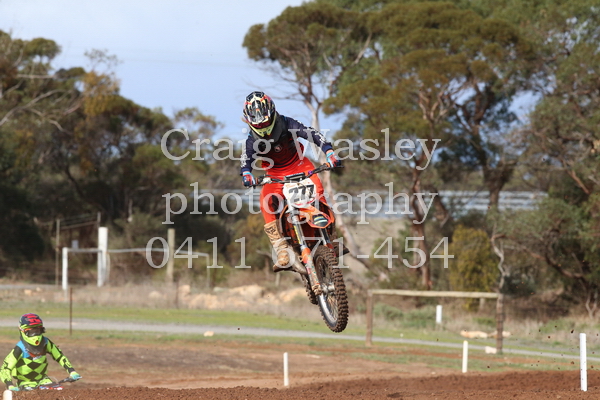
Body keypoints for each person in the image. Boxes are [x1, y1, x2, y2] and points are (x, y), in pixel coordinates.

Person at [240, 91, 341, 272]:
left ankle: (331, 238)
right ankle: (281, 249)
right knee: (266, 201)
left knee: (318, 190)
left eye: (264, 119)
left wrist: (329, 152)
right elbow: (245, 159)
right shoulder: (251, 140)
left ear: (271, 111)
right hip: (274, 174)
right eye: (257, 121)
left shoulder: (287, 123)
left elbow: (311, 134)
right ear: (249, 119)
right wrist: (246, 174)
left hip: (300, 165)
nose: (262, 125)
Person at [0, 313, 82, 391]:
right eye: (32, 331)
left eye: (38, 330)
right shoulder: (19, 348)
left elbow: (59, 356)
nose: (35, 334)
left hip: (43, 380)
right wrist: (10, 385)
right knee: (32, 394)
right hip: (25, 383)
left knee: (58, 391)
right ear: (23, 331)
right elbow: (5, 369)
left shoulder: (46, 342)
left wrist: (72, 372)